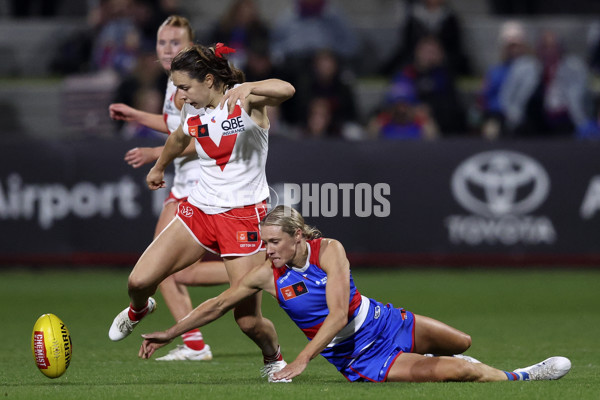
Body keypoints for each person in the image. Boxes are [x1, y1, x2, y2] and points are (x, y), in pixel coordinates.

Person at [138, 205, 572, 383]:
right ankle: (524, 376)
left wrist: (301, 360)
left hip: (380, 319)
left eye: (272, 242)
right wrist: (171, 332)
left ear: (295, 237)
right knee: (459, 372)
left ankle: (462, 363)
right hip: (358, 355)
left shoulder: (330, 251)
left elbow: (339, 312)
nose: (265, 250)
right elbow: (216, 305)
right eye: (263, 243)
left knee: (464, 345)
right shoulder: (264, 275)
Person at [108, 42, 296, 382]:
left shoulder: (246, 102)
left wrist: (249, 86)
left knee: (248, 321)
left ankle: (274, 358)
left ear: (209, 80)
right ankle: (140, 310)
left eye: (184, 86)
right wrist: (159, 166)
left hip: (243, 218)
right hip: (199, 210)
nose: (180, 94)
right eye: (177, 87)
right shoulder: (191, 109)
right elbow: (180, 138)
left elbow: (287, 89)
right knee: (138, 281)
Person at [109, 15, 229, 361]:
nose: (167, 48)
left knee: (164, 270)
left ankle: (261, 271)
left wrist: (157, 154)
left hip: (197, 185)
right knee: (172, 273)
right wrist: (134, 115)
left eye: (175, 43)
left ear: (190, 46)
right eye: (162, 42)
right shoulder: (175, 81)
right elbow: (173, 125)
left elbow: (207, 139)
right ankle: (194, 342)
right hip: (186, 183)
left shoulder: (193, 84)